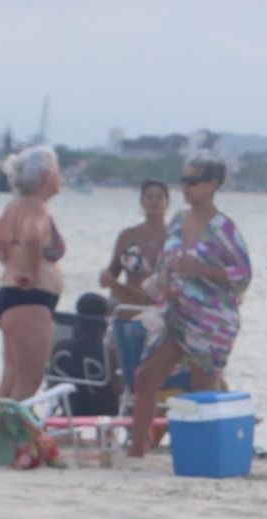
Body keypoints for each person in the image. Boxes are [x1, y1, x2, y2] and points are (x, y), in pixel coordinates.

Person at [128, 159, 252, 457]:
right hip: (175, 312)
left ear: (211, 185)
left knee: (202, 383)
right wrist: (164, 283)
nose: (185, 187)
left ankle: (206, 453)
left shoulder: (224, 229)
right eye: (183, 180)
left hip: (210, 319)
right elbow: (165, 262)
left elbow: (243, 274)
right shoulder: (178, 219)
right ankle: (136, 450)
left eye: (192, 181)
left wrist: (203, 270)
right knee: (145, 376)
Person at [0, 145, 66, 401]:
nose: (60, 176)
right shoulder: (35, 207)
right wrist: (28, 271)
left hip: (12, 296)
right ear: (46, 176)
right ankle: (14, 428)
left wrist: (10, 264)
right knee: (29, 381)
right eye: (57, 170)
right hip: (30, 299)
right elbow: (31, 235)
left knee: (10, 379)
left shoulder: (14, 206)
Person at [99, 179, 171, 397]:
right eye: (149, 196)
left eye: (159, 196)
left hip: (159, 309)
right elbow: (113, 270)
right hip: (127, 306)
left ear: (167, 202)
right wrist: (106, 276)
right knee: (114, 356)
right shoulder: (128, 236)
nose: (154, 201)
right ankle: (120, 403)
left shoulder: (174, 238)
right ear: (142, 202)